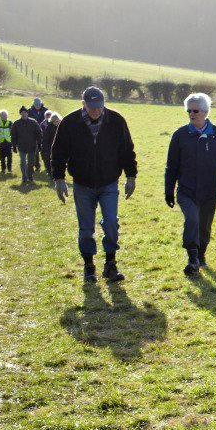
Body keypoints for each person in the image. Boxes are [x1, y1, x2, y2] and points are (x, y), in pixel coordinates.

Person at [51, 86, 138, 283]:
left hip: (109, 183)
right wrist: (59, 179)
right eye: (92, 108)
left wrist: (131, 175)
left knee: (111, 223)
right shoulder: (70, 122)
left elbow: (126, 149)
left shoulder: (116, 121)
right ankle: (89, 267)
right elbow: (59, 152)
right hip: (82, 184)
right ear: (83, 104)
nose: (96, 111)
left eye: (100, 107)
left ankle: (110, 264)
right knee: (86, 228)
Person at [164, 92, 216, 275]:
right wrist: (169, 191)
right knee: (192, 219)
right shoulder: (180, 135)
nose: (191, 113)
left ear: (205, 112)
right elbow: (171, 166)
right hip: (186, 190)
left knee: (204, 226)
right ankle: (192, 258)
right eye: (189, 110)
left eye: (195, 110)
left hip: (210, 191)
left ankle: (201, 254)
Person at [12, 107, 42, 183]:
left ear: (27, 113)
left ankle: (30, 175)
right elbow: (13, 135)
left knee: (31, 162)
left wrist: (39, 144)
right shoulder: (16, 123)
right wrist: (14, 146)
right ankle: (24, 177)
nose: (24, 114)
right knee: (23, 162)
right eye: (22, 113)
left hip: (32, 146)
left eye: (25, 113)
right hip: (21, 146)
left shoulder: (33, 122)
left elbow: (39, 133)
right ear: (20, 114)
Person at [40, 111, 60, 178]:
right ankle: (50, 173)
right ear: (52, 121)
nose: (56, 123)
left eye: (58, 121)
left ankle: (58, 173)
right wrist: (44, 148)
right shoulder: (49, 128)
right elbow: (45, 139)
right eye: (55, 121)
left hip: (59, 146)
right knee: (49, 160)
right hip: (50, 147)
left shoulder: (61, 127)